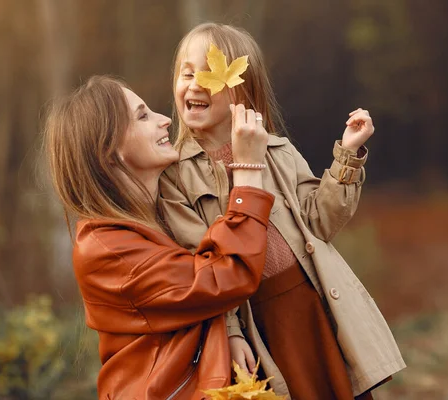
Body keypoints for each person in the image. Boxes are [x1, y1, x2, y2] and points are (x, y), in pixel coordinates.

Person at [159, 23, 406, 400]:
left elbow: (320, 221)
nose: (194, 84)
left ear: (242, 89)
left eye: (209, 74)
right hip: (256, 320)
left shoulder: (277, 150)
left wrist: (347, 157)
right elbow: (198, 265)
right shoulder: (175, 176)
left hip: (311, 302)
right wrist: (231, 332)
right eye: (186, 73)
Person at [43, 75, 274, 400]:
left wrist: (229, 333)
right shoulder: (107, 251)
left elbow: (200, 299)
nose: (165, 120)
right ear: (110, 153)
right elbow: (228, 274)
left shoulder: (160, 215)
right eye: (142, 116)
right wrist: (248, 169)